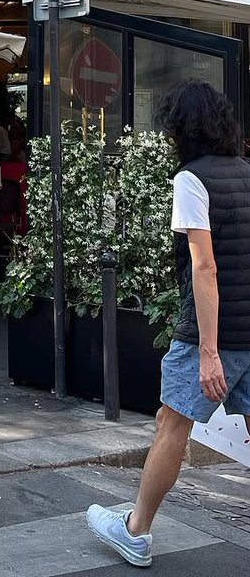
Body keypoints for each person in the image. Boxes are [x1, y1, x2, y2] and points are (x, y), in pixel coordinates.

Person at [85, 80, 250, 567]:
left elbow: (205, 266)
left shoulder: (190, 180)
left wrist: (208, 350)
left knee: (172, 428)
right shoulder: (247, 172)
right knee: (170, 421)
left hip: (210, 333)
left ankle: (135, 531)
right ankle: (135, 520)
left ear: (181, 129)